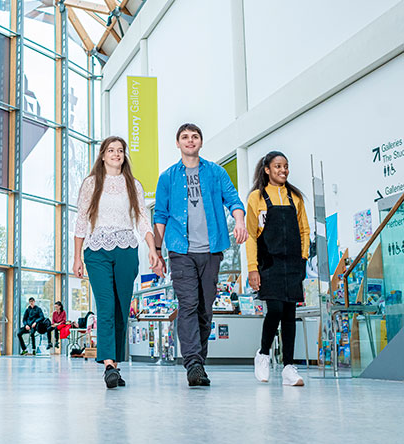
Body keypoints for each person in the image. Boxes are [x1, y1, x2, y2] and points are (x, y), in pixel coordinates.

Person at [153, 123, 247, 387]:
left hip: (212, 249)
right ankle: (193, 363)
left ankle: (199, 362)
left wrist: (239, 221)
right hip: (180, 251)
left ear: (201, 142)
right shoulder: (168, 177)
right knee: (188, 305)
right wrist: (156, 251)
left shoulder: (215, 172)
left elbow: (233, 200)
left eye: (194, 137)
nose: (190, 140)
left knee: (205, 309)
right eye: (184, 137)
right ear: (178, 143)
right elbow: (160, 215)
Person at [73, 136, 160, 389]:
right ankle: (109, 365)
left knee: (122, 307)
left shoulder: (133, 184)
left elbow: (143, 219)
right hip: (96, 250)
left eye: (120, 150)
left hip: (127, 250)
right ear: (102, 155)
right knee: (106, 306)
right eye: (111, 150)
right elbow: (81, 220)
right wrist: (76, 256)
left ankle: (117, 365)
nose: (116, 154)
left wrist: (152, 248)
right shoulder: (91, 183)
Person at [248, 152, 309, 386]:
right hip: (269, 263)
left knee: (290, 315)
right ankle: (263, 354)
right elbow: (252, 236)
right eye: (277, 166)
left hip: (293, 263)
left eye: (285, 166)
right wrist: (253, 268)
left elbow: (304, 230)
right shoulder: (257, 197)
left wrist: (302, 259)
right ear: (267, 170)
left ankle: (288, 368)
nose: (283, 170)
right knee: (274, 309)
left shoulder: (295, 197)